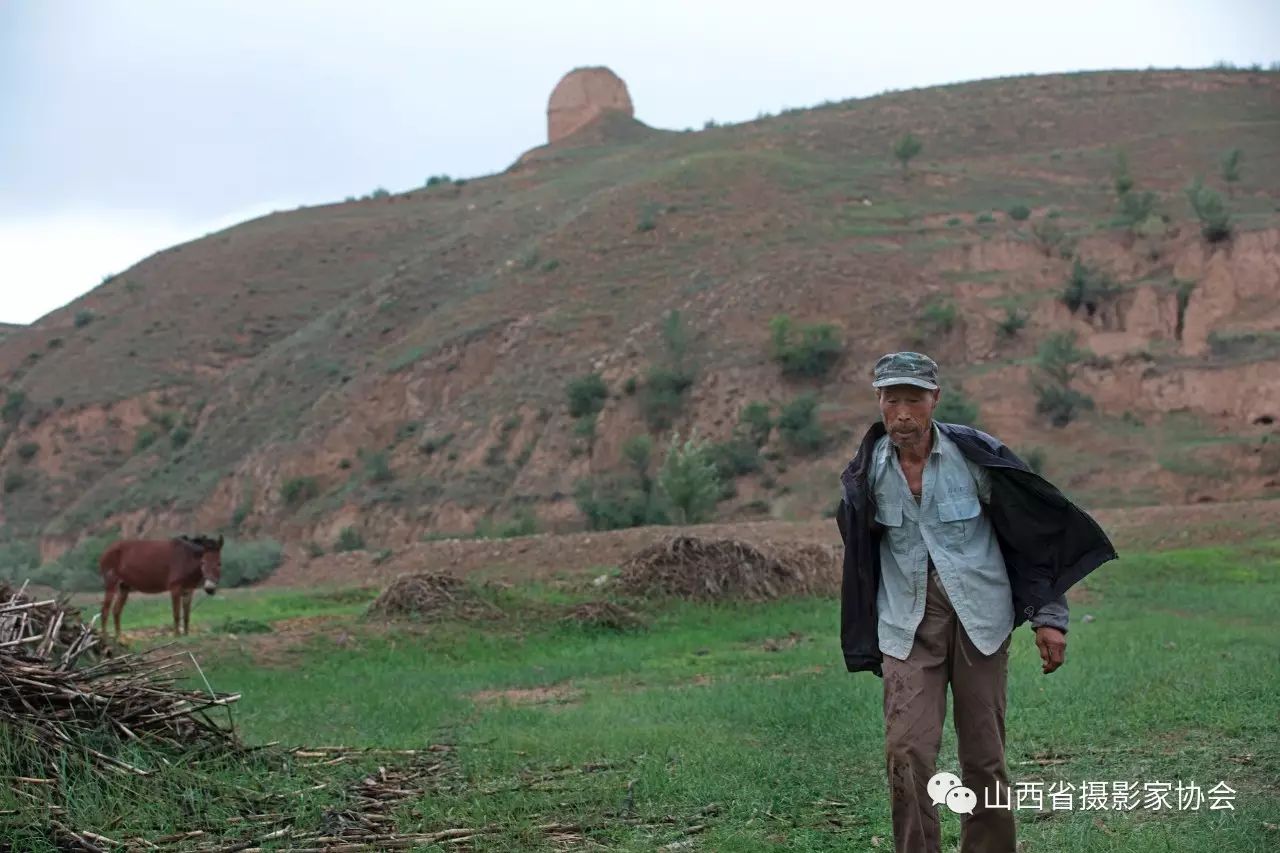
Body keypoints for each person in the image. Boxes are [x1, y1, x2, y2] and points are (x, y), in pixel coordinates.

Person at [836, 352, 1117, 853]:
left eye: (914, 400)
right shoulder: (865, 475)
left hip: (979, 623)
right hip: (906, 627)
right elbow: (860, 557)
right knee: (906, 752)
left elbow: (1031, 538)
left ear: (934, 401)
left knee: (983, 757)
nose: (902, 412)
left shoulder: (976, 458)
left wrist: (1048, 617)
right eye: (892, 399)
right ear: (878, 401)